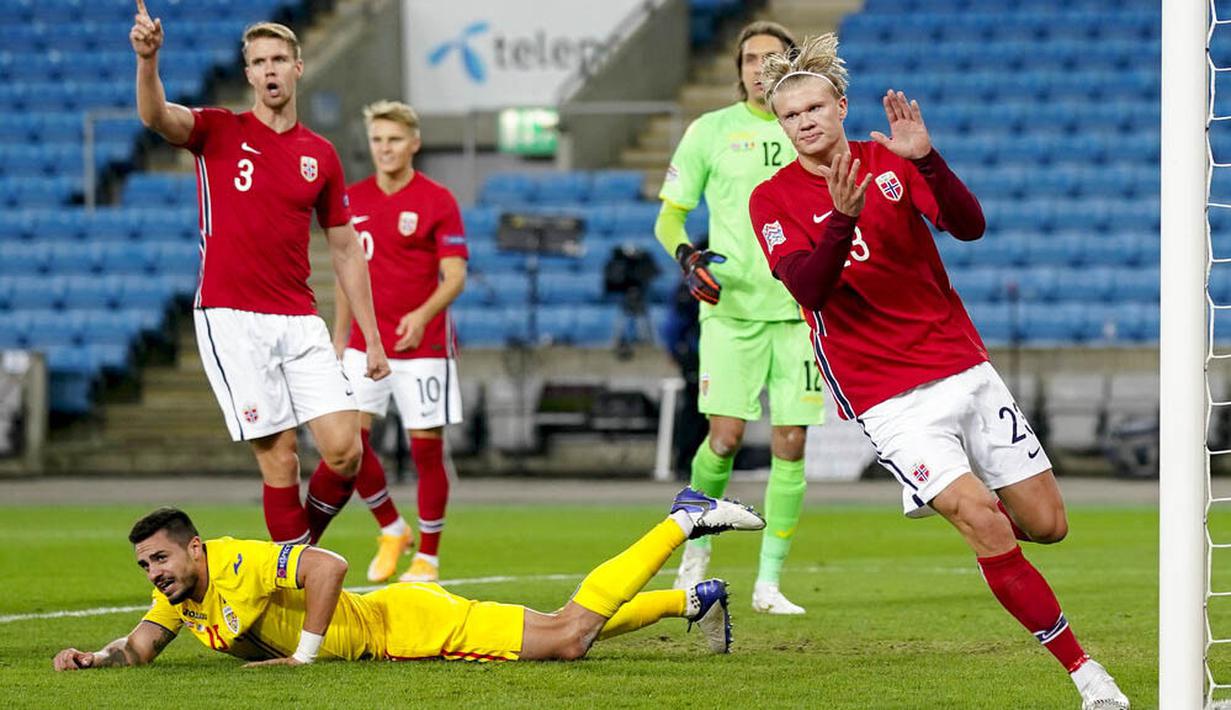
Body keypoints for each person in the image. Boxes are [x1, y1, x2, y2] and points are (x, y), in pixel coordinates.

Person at [748, 34, 1129, 709]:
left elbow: (968, 225)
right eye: (789, 115)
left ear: (841, 105)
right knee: (981, 519)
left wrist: (927, 160)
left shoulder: (888, 163)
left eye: (813, 107)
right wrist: (839, 221)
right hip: (884, 395)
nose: (803, 122)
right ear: (780, 125)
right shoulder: (771, 199)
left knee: (1046, 526)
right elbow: (808, 289)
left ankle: (945, 487)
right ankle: (1086, 675)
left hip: (959, 365)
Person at [129, 4, 390, 545]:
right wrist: (149, 61)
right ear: (247, 74)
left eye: (278, 59)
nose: (269, 69)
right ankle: (293, 578)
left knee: (345, 450)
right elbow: (157, 118)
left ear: (298, 67)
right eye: (258, 61)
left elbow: (345, 249)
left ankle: (295, 555)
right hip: (232, 316)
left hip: (299, 318)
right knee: (281, 459)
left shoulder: (320, 154)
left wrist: (374, 337)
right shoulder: (218, 130)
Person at [50, 493, 765, 670]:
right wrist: (99, 656)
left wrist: (300, 657)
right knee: (561, 627)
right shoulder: (179, 593)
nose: (155, 575)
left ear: (194, 549)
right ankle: (692, 599)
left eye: (161, 562)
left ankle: (680, 522)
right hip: (398, 622)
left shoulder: (237, 561)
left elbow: (327, 565)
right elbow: (143, 646)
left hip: (406, 627)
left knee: (568, 636)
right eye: (147, 566)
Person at [655, 20, 823, 615]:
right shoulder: (711, 132)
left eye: (770, 58)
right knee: (723, 440)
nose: (758, 68)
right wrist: (685, 256)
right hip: (730, 312)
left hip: (801, 311)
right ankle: (694, 552)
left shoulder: (812, 127)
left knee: (791, 443)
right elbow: (670, 217)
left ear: (791, 66)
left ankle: (769, 583)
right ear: (739, 69)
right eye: (750, 59)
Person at [317, 100, 468, 584]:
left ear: (414, 144)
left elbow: (456, 275)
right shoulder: (352, 199)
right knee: (349, 446)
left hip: (423, 347)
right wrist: (340, 339)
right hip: (365, 342)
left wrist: (424, 315)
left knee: (425, 449)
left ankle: (429, 557)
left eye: (395, 139)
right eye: (378, 139)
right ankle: (391, 527)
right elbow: (345, 276)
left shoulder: (437, 199)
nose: (385, 148)